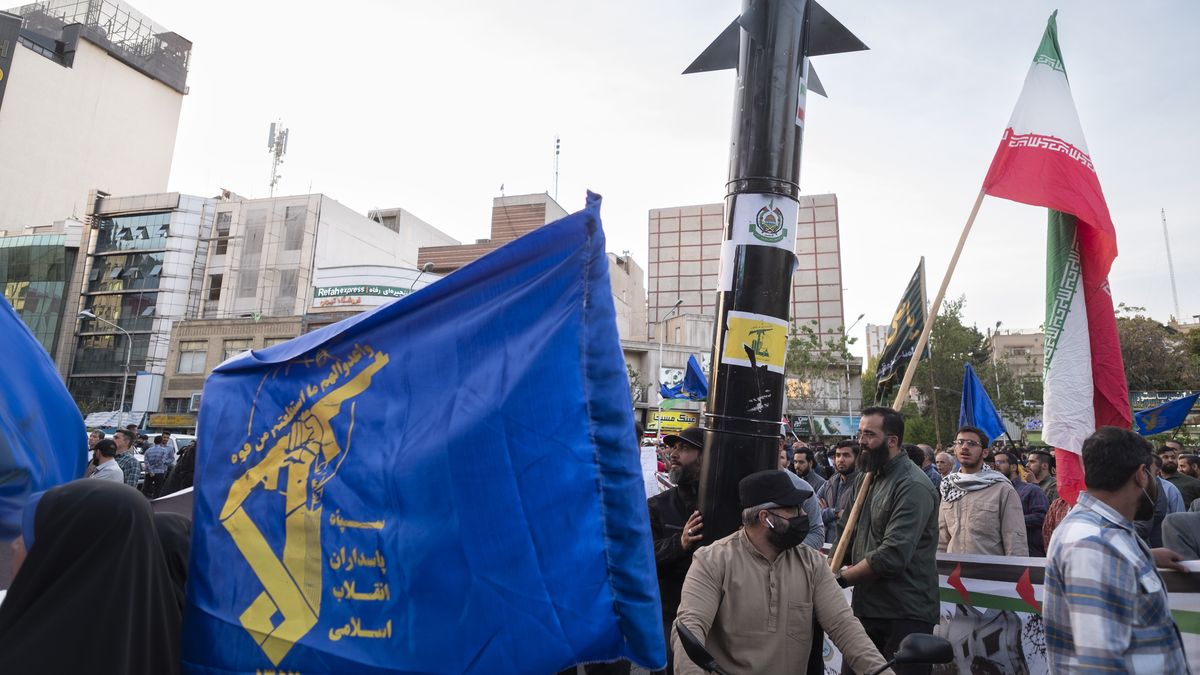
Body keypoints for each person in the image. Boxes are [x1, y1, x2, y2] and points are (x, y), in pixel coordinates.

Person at [672, 470, 893, 675]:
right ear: (765, 518)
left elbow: (846, 628)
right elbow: (689, 629)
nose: (803, 514)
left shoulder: (811, 563)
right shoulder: (712, 561)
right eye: (794, 509)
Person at [1044, 426, 1189, 671]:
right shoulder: (1092, 545)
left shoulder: (1104, 533)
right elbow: (1100, 664)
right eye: (1154, 475)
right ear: (1141, 474)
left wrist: (1147, 557)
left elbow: (1113, 573)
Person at [0, 480, 183, 673]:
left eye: (31, 535)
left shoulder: (25, 657)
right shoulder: (167, 645)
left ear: (67, 554)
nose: (15, 545)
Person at [836, 407, 939, 675]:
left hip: (904, 614)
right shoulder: (865, 479)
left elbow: (892, 555)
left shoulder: (913, 485)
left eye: (869, 434)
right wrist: (825, 571)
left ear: (892, 441)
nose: (861, 441)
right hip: (866, 610)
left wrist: (840, 580)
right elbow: (845, 536)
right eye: (860, 433)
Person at [647, 425, 704, 674]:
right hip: (670, 613)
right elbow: (643, 557)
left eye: (684, 448)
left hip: (713, 616)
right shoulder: (657, 506)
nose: (673, 453)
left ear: (706, 456)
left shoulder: (723, 504)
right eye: (673, 447)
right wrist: (679, 544)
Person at [938, 427, 1028, 556]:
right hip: (954, 573)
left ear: (985, 453)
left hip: (989, 573)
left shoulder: (1001, 489)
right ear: (955, 450)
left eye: (972, 444)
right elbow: (942, 539)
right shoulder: (949, 486)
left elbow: (1015, 540)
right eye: (960, 442)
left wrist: (1016, 573)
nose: (964, 447)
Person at [993, 450, 1048, 556]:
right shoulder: (992, 491)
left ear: (1013, 467)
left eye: (1000, 462)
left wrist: (1010, 520)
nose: (996, 466)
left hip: (1028, 554)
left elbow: (1041, 517)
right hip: (999, 553)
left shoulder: (1032, 490)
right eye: (994, 463)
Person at [816, 440, 860, 546]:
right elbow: (814, 512)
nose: (840, 460)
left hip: (849, 547)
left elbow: (853, 518)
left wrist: (826, 513)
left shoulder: (862, 485)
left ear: (857, 459)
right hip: (825, 544)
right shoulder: (830, 482)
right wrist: (835, 513)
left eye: (846, 455)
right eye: (838, 455)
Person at [1160, 443, 1200, 507]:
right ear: (1158, 460)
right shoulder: (1152, 481)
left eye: (1173, 457)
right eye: (1165, 457)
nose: (1170, 460)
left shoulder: (1194, 483)